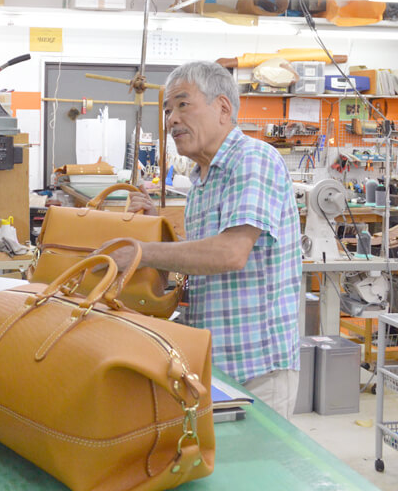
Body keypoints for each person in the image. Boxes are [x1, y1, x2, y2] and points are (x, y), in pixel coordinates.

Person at [121, 61, 301, 418]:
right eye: (167, 110)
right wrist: (151, 231)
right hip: (212, 364)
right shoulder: (202, 182)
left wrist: (141, 252)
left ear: (222, 108)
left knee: (254, 473)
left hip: (256, 370)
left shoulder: (252, 159)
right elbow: (200, 269)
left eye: (182, 105)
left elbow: (231, 253)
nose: (171, 119)